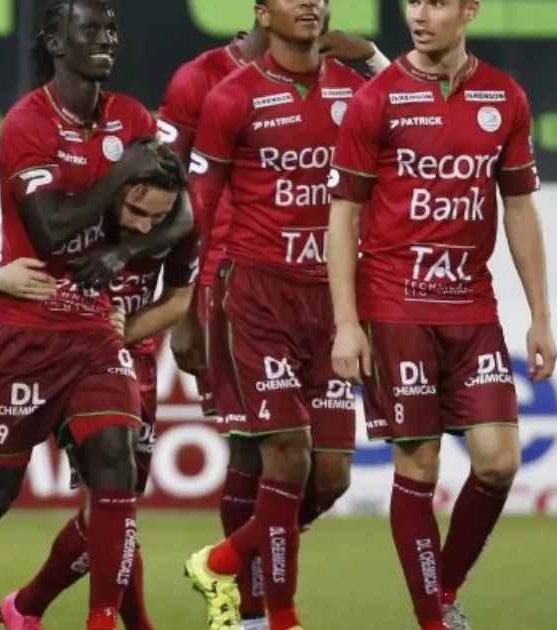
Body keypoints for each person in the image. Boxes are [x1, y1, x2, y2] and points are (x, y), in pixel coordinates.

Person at [0, 2, 193, 628]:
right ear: (54, 42)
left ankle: (101, 620)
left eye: (111, 30)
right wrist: (121, 174)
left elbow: (182, 212)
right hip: (24, 331)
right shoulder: (28, 121)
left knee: (115, 468)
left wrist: (125, 251)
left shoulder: (133, 118)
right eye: (89, 30)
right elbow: (49, 229)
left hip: (94, 332)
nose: (106, 40)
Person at [325, 1, 555, 629]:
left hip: (471, 304)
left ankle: (441, 592)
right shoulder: (378, 98)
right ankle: (434, 620)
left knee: (499, 462)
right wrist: (347, 323)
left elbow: (519, 208)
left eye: (437, 2)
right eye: (413, 2)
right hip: (395, 304)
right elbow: (343, 216)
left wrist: (540, 315)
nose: (419, 14)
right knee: (419, 464)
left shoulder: (504, 97)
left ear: (470, 10)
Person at [158, 8, 389, 626]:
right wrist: (186, 308)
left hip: (332, 299)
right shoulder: (230, 94)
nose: (310, 4)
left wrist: (372, 57)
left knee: (329, 476)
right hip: (254, 296)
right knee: (276, 455)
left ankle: (223, 563)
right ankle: (269, 616)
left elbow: (421, 118)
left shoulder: (354, 90)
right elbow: (198, 205)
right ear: (262, 12)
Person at [0, 172, 197, 630]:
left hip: (137, 359)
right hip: (82, 360)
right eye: (138, 211)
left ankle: (25, 607)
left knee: (116, 510)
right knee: (114, 500)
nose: (146, 224)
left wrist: (125, 332)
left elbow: (178, 299)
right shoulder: (83, 213)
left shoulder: (179, 221)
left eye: (158, 216)